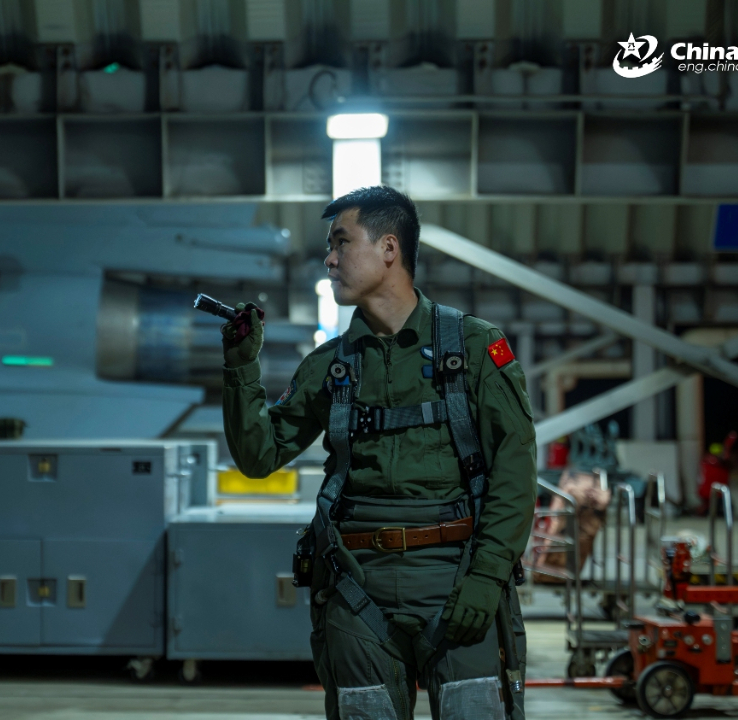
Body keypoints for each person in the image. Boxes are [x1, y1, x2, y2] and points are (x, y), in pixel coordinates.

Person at [221, 186, 537, 720]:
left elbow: (516, 470)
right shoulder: (328, 367)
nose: (330, 258)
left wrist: (486, 578)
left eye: (341, 243)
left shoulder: (478, 349)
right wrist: (239, 366)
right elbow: (259, 455)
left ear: (389, 248)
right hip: (355, 588)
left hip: (458, 583)